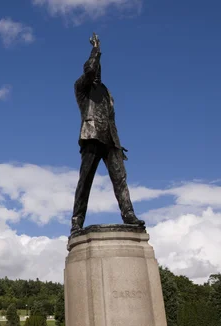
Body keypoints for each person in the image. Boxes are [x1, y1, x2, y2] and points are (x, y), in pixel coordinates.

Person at [70, 32, 145, 234]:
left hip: (111, 140)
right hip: (91, 135)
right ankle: (77, 220)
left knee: (120, 179)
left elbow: (111, 119)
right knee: (85, 181)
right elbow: (90, 69)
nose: (96, 72)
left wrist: (118, 144)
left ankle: (128, 214)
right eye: (94, 69)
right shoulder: (81, 88)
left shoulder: (107, 93)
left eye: (98, 69)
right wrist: (96, 50)